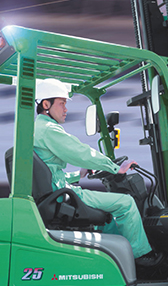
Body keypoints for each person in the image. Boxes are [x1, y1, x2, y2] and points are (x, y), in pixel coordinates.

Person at [32, 78, 159, 262]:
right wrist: (115, 168)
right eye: (61, 103)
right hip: (62, 194)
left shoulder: (36, 129)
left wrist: (79, 174)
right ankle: (142, 257)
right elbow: (81, 152)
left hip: (56, 192)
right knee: (126, 203)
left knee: (107, 219)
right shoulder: (48, 129)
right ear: (46, 104)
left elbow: (49, 173)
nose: (65, 109)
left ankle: (118, 258)